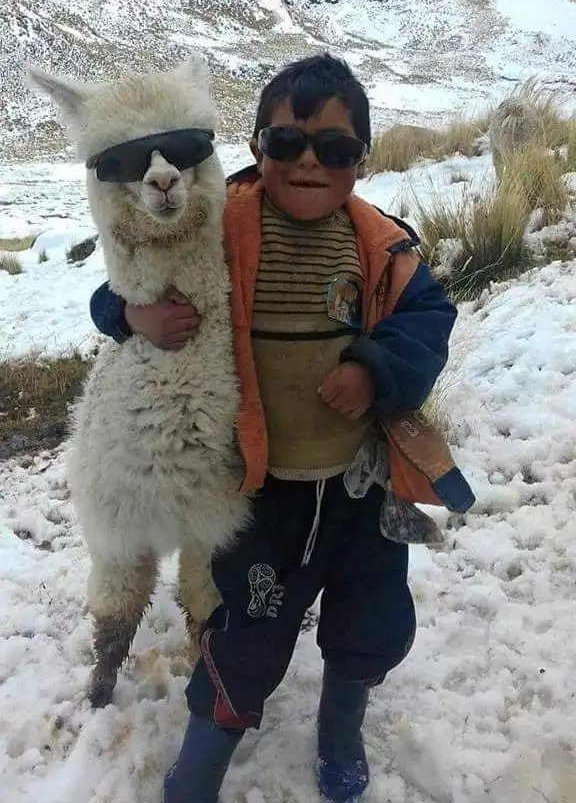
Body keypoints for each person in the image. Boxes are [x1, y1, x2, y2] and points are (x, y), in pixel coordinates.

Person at [90, 54, 472, 803]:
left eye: (335, 148)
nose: (308, 163)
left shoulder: (380, 243)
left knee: (370, 620)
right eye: (286, 143)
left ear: (361, 157)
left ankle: (341, 728)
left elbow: (429, 317)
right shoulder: (219, 227)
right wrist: (129, 316)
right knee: (246, 627)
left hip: (360, 484)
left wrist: (376, 370)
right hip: (263, 489)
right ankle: (205, 760)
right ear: (255, 147)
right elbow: (129, 269)